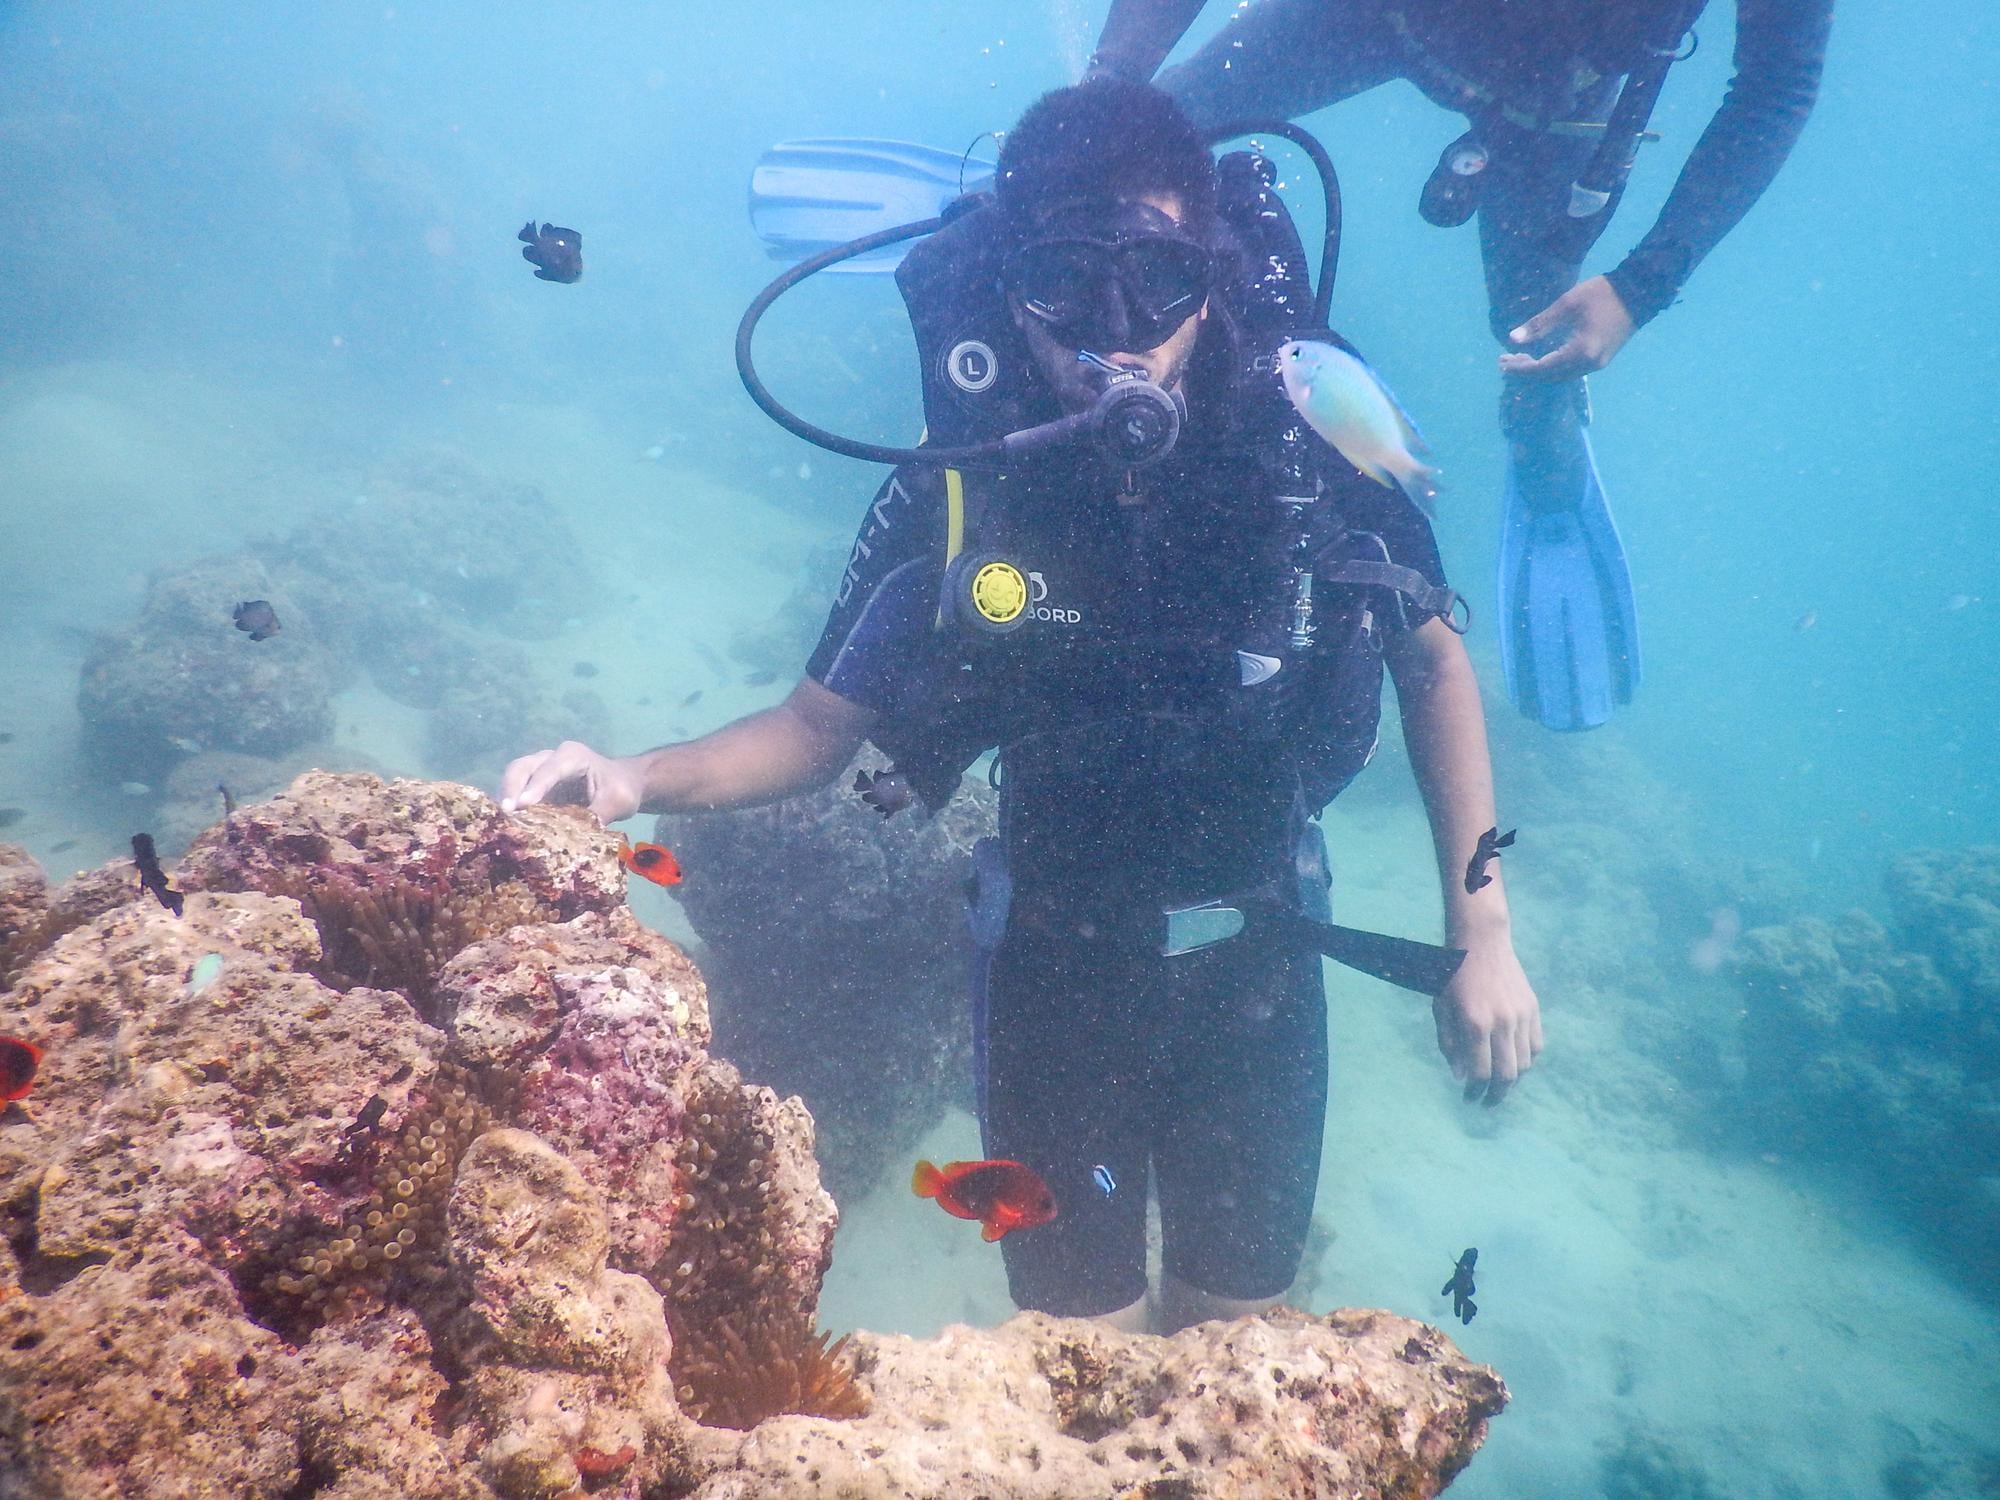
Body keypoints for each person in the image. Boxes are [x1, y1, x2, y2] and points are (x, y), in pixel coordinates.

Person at [503, 80, 1539, 1334]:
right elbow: (813, 729)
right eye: (1061, 282)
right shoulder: (960, 493)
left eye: (1154, 279)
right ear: (1004, 287)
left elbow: (1430, 662)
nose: (1114, 332)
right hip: (1055, 977)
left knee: (1239, 1356)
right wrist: (628, 776)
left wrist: (1479, 934)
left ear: (1209, 275)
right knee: (1077, 1367)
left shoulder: (1301, 444)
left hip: (1261, 972)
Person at [1088, 0, 1830, 731]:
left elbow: (1777, 84)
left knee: (1536, 341)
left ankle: (1549, 448)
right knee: (1123, 146)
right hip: (1382, 16)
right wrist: (1110, 80)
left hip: (1556, 111)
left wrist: (1642, 288)